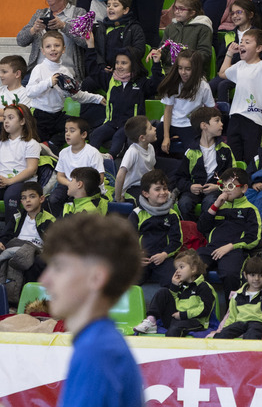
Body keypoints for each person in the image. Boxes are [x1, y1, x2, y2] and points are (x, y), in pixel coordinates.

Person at [40, 212, 143, 407]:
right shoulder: (101, 342)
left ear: (96, 278)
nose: (44, 280)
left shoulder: (96, 352)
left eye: (59, 267)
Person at [25, 31, 103, 148]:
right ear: (43, 51)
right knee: (34, 143)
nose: (53, 49)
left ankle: (50, 144)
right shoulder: (39, 69)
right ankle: (45, 146)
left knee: (78, 128)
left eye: (57, 46)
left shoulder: (65, 71)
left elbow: (76, 95)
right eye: (48, 46)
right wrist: (48, 82)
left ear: (63, 49)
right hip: (40, 116)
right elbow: (30, 92)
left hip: (58, 116)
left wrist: (97, 98)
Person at [220, 28, 262, 166]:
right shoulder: (239, 65)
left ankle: (251, 184)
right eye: (241, 41)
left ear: (259, 48)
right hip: (236, 117)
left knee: (252, 158)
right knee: (234, 159)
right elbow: (222, 73)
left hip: (255, 120)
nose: (242, 44)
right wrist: (229, 53)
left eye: (247, 42)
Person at [198, 168, 261, 297]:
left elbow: (253, 238)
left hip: (233, 249)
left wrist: (231, 246)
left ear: (243, 188)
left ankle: (230, 312)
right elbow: (202, 228)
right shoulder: (218, 206)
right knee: (192, 267)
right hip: (212, 248)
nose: (226, 190)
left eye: (231, 186)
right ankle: (197, 309)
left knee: (230, 274)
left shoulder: (250, 209)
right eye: (223, 186)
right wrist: (215, 206)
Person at [16, 0, 89, 79]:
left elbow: (86, 41)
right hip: (38, 73)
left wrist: (64, 26)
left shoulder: (78, 13)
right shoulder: (40, 13)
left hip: (67, 74)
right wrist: (33, 30)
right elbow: (20, 40)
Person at [132, 250, 214, 337]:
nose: (177, 271)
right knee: (163, 291)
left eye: (181, 267)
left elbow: (205, 309)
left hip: (194, 321)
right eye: (176, 268)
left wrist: (183, 315)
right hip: (176, 318)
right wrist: (174, 286)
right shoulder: (181, 284)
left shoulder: (203, 287)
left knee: (175, 329)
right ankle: (151, 320)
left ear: (193, 269)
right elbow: (173, 301)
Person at [156, 49, 213, 157]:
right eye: (180, 68)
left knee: (194, 154)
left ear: (195, 69)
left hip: (190, 125)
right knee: (149, 142)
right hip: (170, 122)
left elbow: (210, 109)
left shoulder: (203, 85)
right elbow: (168, 110)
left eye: (188, 69)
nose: (183, 72)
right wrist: (166, 137)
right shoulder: (173, 83)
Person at [131, 170, 183, 286]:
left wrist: (164, 254)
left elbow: (177, 241)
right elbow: (127, 239)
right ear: (146, 194)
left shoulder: (172, 215)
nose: (163, 192)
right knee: (124, 279)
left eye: (165, 188)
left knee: (174, 280)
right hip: (141, 258)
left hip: (164, 258)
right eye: (157, 189)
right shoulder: (137, 213)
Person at [50, 117, 106, 214]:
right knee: (53, 199)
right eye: (66, 130)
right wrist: (71, 185)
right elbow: (60, 176)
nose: (67, 134)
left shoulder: (93, 152)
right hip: (68, 184)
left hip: (87, 187)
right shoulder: (63, 153)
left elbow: (100, 178)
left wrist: (79, 187)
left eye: (72, 131)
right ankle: (60, 223)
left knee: (79, 206)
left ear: (83, 134)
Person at [85, 0, 145, 74]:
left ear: (125, 10)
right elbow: (97, 51)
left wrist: (119, 64)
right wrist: (102, 66)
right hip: (105, 71)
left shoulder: (134, 28)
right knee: (87, 84)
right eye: (108, 5)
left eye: (115, 5)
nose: (110, 8)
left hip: (127, 72)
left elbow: (139, 50)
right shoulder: (101, 28)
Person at [212, 255, 262, 339]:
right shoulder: (237, 295)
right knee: (221, 335)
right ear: (245, 275)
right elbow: (231, 317)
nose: (256, 278)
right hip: (240, 323)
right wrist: (222, 330)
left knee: (251, 335)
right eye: (252, 275)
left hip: (259, 323)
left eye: (261, 275)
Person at [115, 115, 156, 202]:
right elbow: (120, 175)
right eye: (150, 128)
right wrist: (118, 197)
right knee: (147, 201)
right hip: (132, 188)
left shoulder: (151, 147)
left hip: (145, 185)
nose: (155, 128)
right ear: (142, 138)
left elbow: (151, 169)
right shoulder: (133, 152)